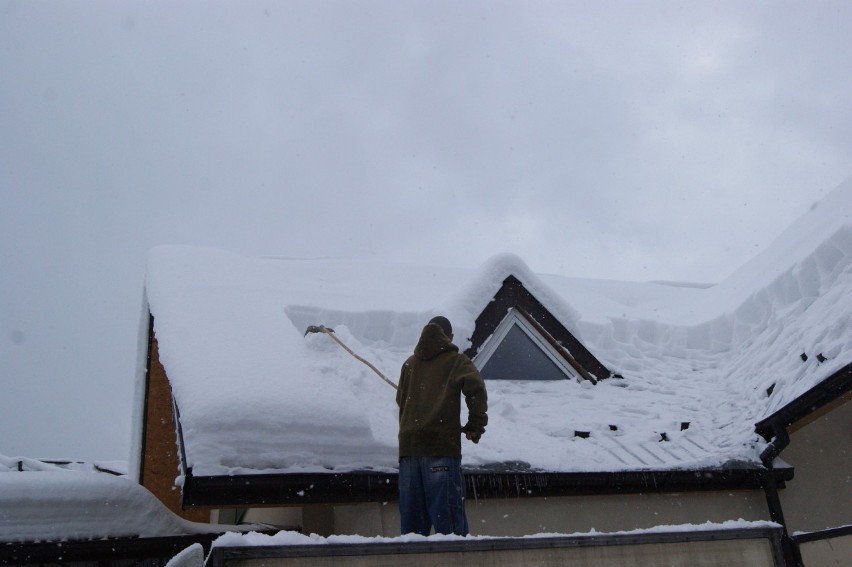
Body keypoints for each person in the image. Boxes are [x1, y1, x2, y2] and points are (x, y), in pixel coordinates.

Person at [396, 315, 488, 536]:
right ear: (450, 337)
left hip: (408, 453)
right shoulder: (456, 361)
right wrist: (475, 425)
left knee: (412, 533)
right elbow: (476, 389)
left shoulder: (409, 364)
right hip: (440, 449)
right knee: (450, 529)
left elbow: (400, 400)